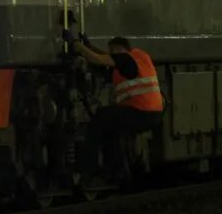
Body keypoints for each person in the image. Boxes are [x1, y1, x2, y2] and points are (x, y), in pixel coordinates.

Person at [65, 31, 164, 182]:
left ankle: (87, 168)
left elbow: (99, 59)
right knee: (113, 128)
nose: (111, 54)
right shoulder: (137, 58)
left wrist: (76, 45)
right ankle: (115, 172)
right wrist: (90, 46)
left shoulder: (126, 59)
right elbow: (105, 57)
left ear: (119, 48)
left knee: (99, 119)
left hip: (139, 112)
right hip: (152, 113)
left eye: (112, 50)